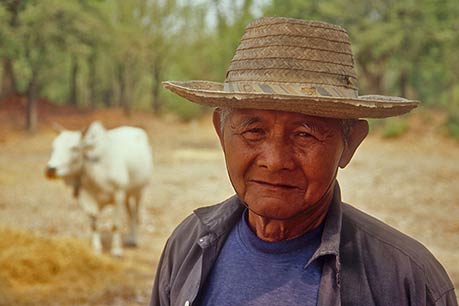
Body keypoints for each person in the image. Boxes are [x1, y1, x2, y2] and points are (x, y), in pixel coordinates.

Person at [149, 17, 457, 306]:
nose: (275, 161)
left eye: (305, 135)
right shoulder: (189, 244)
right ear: (220, 132)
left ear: (350, 144)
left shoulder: (406, 279)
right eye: (253, 131)